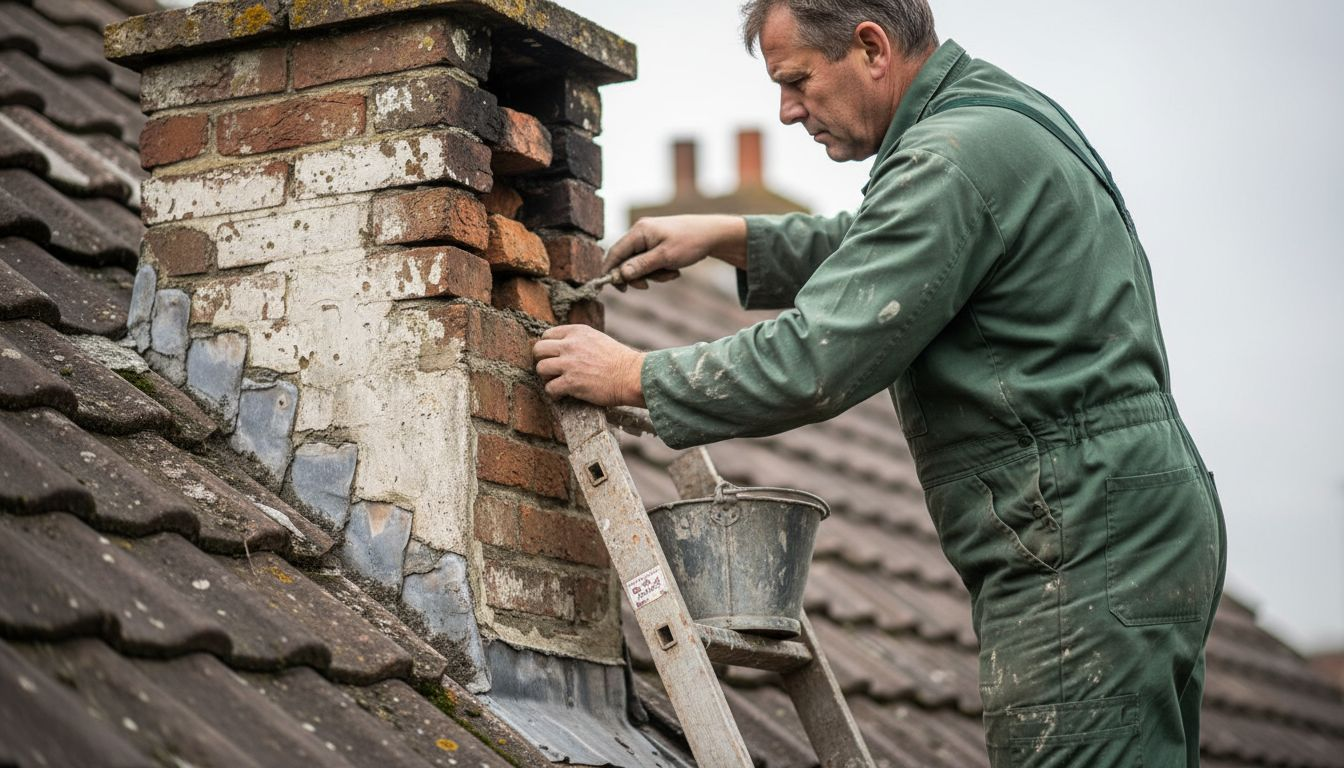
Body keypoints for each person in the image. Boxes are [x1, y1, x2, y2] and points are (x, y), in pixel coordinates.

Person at [532, 1, 1227, 765]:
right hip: (1135, 518)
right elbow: (890, 243)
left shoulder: (947, 157)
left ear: (871, 47)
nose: (788, 110)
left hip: (1080, 530)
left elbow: (818, 358)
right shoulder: (991, 118)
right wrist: (733, 236)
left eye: (796, 80)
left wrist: (632, 373)